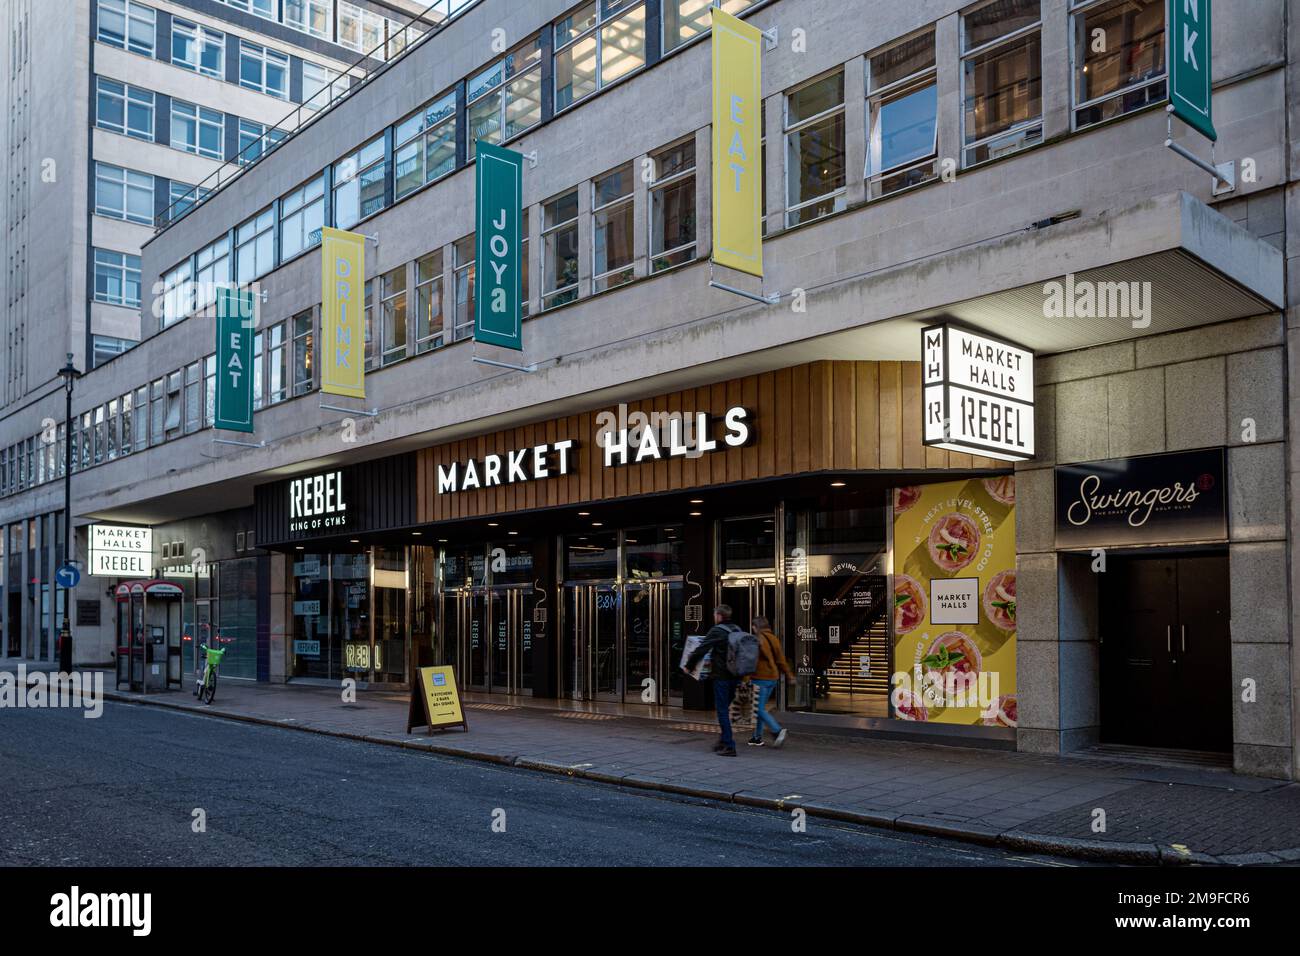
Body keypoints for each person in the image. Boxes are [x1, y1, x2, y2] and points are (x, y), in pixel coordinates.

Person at [682, 604, 741, 756]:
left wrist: (689, 665)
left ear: (719, 616)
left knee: (722, 711)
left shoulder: (717, 630)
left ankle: (729, 746)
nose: (714, 617)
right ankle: (723, 740)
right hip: (736, 676)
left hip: (722, 677)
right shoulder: (737, 629)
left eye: (715, 615)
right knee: (725, 709)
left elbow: (702, 649)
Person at [746, 616, 795, 748]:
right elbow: (781, 660)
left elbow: (752, 661)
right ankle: (756, 737)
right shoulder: (774, 639)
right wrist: (789, 674)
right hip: (773, 678)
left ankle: (777, 730)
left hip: (760, 679)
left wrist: (744, 679)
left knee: (758, 709)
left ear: (757, 627)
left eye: (753, 626)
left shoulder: (758, 639)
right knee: (760, 708)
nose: (752, 629)